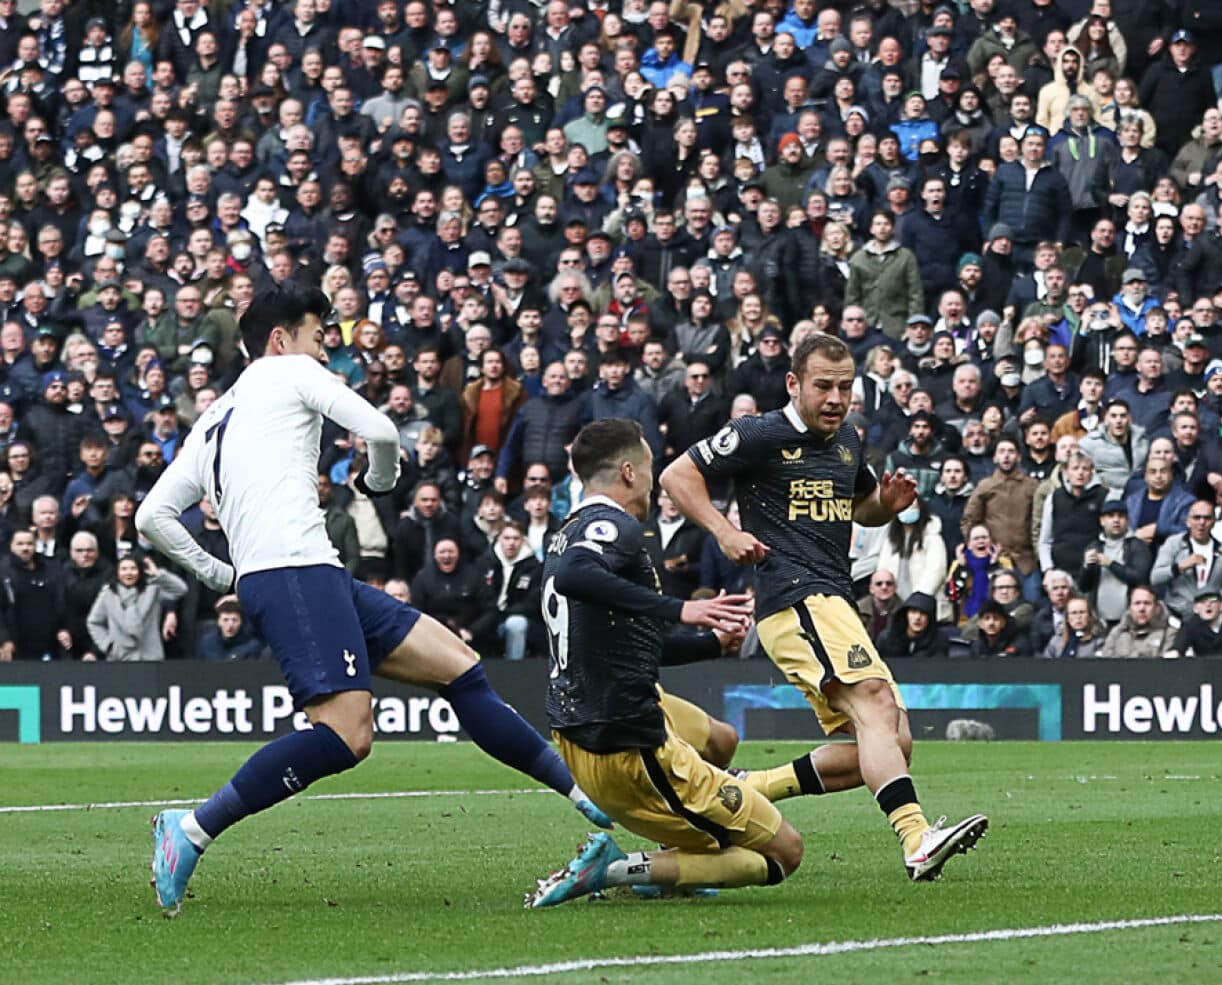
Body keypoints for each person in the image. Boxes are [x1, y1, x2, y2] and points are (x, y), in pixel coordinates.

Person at [138, 283, 614, 916]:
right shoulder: (291, 371)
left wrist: (220, 573)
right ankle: (192, 830)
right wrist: (380, 479)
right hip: (295, 573)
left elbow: (153, 516)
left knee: (459, 667)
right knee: (348, 734)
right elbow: (382, 431)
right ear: (281, 340)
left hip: (303, 574)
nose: (324, 350)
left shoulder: (214, 417)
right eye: (317, 337)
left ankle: (583, 795)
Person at [661, 333, 988, 881]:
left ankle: (745, 787)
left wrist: (886, 504)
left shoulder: (848, 440)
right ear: (793, 384)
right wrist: (723, 531)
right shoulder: (759, 433)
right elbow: (677, 475)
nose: (836, 398)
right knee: (876, 704)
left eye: (845, 387)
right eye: (823, 386)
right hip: (794, 596)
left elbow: (861, 508)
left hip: (832, 598)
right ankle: (916, 838)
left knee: (891, 740)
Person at [524, 419, 795, 907]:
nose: (654, 481)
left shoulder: (565, 534)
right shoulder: (612, 528)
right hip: (626, 741)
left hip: (578, 729)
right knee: (781, 854)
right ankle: (618, 869)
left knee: (720, 740)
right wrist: (681, 609)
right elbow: (575, 575)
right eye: (650, 467)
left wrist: (711, 644)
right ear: (629, 472)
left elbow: (628, 641)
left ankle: (682, 855)